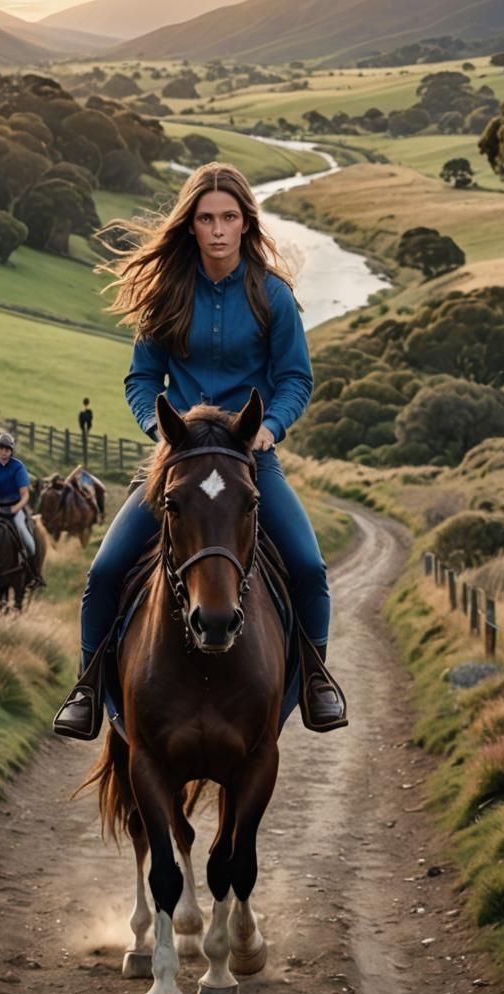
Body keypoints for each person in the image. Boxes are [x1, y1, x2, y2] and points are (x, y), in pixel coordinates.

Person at [52, 162, 346, 740]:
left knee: (310, 569)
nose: (217, 229)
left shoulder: (273, 297)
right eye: (206, 218)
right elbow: (142, 379)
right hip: (179, 461)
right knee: (104, 571)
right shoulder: (167, 293)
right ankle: (87, 688)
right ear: (191, 224)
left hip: (248, 458)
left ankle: (315, 681)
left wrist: (272, 428)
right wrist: (159, 429)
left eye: (229, 218)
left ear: (245, 223)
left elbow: (296, 380)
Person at [0, 433, 36, 560]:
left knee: (20, 527)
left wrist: (14, 510)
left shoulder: (18, 467)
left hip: (14, 505)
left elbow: (25, 495)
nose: (3, 452)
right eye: (1, 449)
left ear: (11, 452)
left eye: (7, 450)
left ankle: (29, 558)